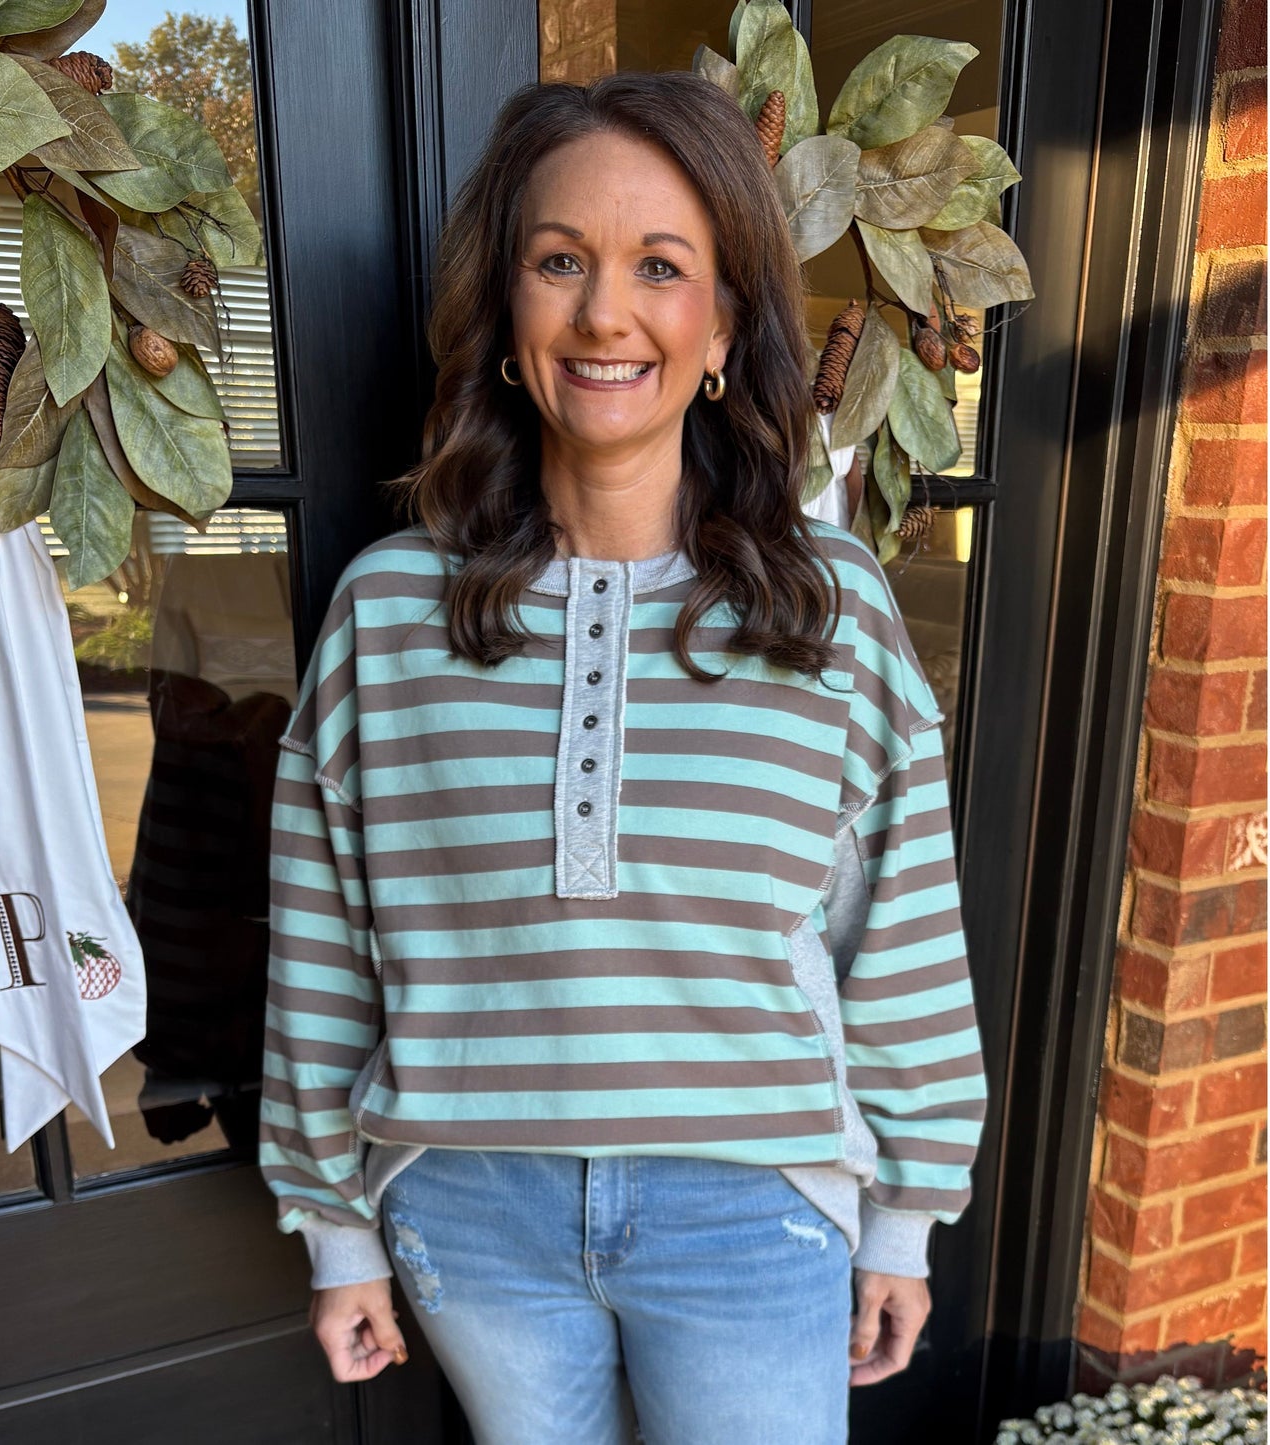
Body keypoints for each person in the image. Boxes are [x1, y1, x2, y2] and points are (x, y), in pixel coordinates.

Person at [260, 70, 987, 1445]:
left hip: (755, 1207)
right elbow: (323, 941)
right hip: (468, 1209)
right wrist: (335, 1230)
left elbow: (898, 930)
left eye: (660, 266)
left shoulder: (826, 607)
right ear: (504, 314)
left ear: (724, 325)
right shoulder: (388, 612)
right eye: (558, 262)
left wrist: (904, 1215)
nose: (604, 313)